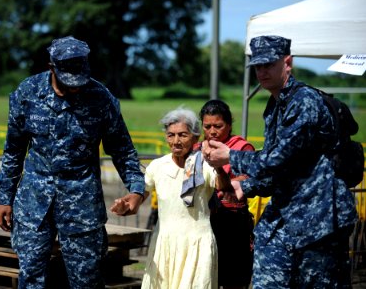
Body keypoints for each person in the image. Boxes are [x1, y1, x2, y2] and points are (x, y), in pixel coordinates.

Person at [202, 35, 358, 288]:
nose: (262, 72)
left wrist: (230, 156)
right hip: (286, 214)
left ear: (288, 62)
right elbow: (286, 168)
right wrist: (247, 187)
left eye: (268, 65)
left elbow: (279, 158)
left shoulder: (304, 101)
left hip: (320, 219)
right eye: (257, 67)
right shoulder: (275, 105)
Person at [0, 36, 146, 288]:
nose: (76, 87)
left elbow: (123, 150)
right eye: (68, 81)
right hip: (34, 204)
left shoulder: (101, 99)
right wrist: (4, 197)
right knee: (31, 278)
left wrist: (136, 189)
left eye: (80, 79)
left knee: (86, 281)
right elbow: (13, 150)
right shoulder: (27, 94)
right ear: (51, 67)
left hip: (82, 206)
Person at [117, 107, 220, 289]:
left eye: (183, 135)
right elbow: (139, 195)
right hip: (165, 243)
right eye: (171, 135)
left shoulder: (204, 165)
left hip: (196, 243)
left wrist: (217, 163)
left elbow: (224, 186)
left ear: (195, 138)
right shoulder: (157, 166)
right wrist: (127, 204)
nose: (176, 141)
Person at [199, 99, 255, 289]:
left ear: (229, 125)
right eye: (207, 126)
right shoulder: (198, 149)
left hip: (233, 221)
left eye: (218, 126)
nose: (212, 131)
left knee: (234, 277)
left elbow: (249, 179)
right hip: (205, 220)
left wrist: (224, 181)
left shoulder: (241, 148)